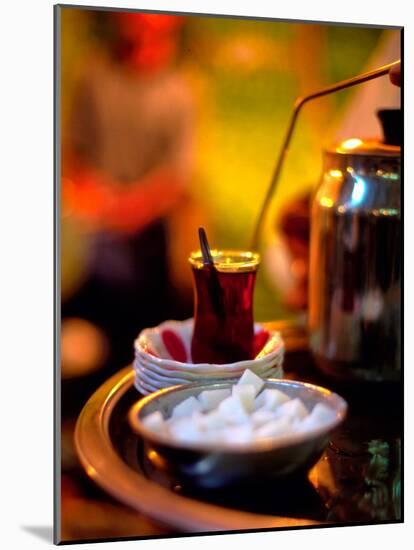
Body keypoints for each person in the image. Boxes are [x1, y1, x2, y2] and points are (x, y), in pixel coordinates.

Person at [61, 12, 196, 376]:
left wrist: (133, 208)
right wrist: (93, 196)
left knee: (142, 340)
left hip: (150, 240)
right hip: (96, 234)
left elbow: (177, 175)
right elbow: (75, 151)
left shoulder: (179, 91)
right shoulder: (95, 77)